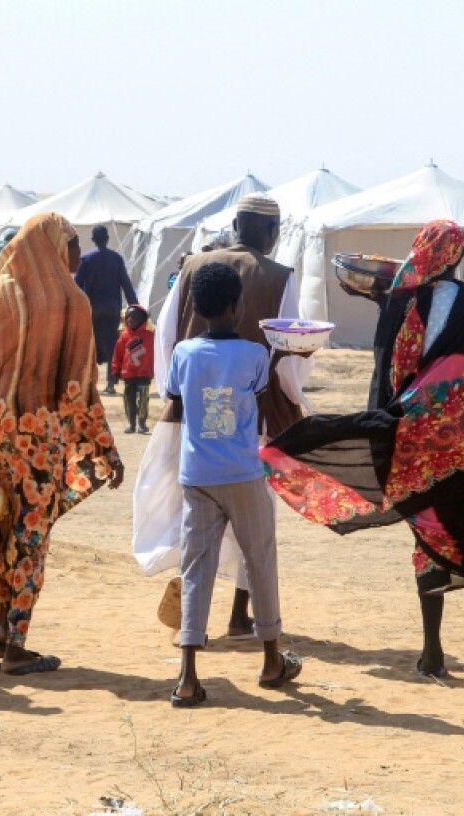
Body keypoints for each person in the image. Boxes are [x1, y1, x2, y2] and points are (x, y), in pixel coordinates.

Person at [261, 220, 464, 678]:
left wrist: (388, 440)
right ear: (455, 256)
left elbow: (388, 376)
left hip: (418, 446)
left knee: (429, 534)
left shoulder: (399, 303)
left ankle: (432, 652)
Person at [0, 212, 125, 676]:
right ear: (54, 247)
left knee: (1, 525)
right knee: (31, 537)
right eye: (73, 243)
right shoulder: (71, 302)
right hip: (39, 438)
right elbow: (79, 389)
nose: (77, 254)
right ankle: (16, 644)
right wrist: (106, 449)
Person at [134, 194, 309, 640]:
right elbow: (289, 356)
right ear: (272, 233)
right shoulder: (278, 277)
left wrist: (174, 395)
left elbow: (166, 338)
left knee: (191, 518)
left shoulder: (193, 266)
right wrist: (295, 399)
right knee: (256, 526)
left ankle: (192, 624)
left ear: (236, 223)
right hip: (256, 423)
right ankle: (239, 616)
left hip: (191, 418)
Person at [167, 262, 302, 707]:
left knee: (195, 569)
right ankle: (270, 660)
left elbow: (177, 402)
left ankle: (187, 676)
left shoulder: (183, 353)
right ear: (235, 305)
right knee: (259, 558)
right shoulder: (254, 354)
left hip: (198, 475)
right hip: (243, 472)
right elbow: (260, 401)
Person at [74, 225, 137, 395]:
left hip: (92, 308)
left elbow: (76, 285)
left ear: (93, 240)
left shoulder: (85, 259)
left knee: (89, 346)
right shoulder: (116, 258)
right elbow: (126, 284)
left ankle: (89, 383)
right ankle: (110, 383)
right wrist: (135, 306)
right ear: (107, 239)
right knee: (111, 346)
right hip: (112, 308)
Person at [111, 303, 154, 434]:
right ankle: (131, 423)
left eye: (134, 317)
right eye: (129, 317)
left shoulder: (151, 336)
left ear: (142, 319)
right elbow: (117, 354)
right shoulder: (124, 336)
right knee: (128, 399)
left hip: (144, 373)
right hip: (128, 373)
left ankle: (142, 422)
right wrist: (115, 370)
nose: (131, 320)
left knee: (143, 398)